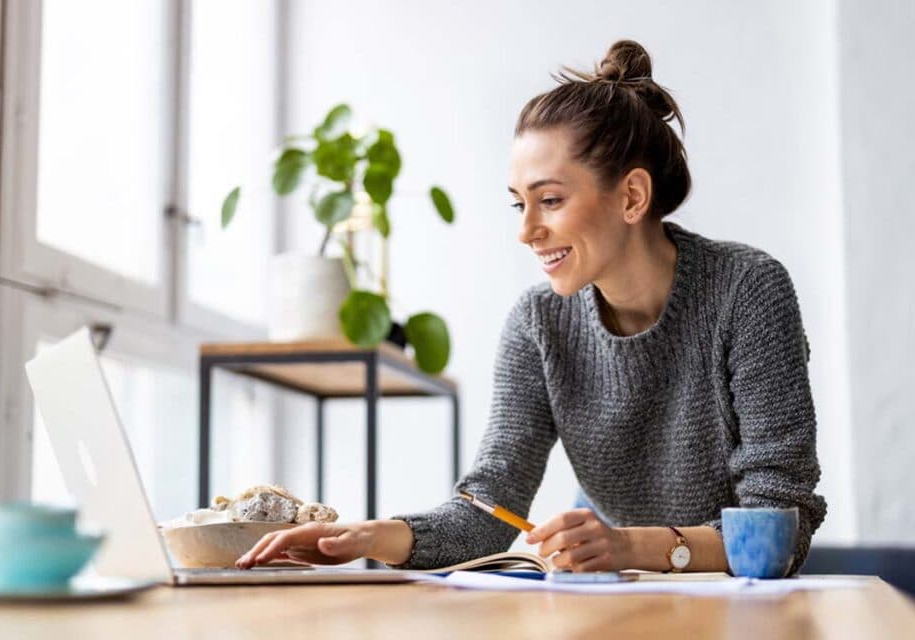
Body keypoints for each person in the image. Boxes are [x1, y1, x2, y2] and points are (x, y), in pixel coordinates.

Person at [237, 40, 826, 575]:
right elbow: (489, 509)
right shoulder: (539, 323)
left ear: (632, 196)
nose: (527, 231)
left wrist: (627, 545)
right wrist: (368, 536)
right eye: (518, 204)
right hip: (621, 597)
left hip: (741, 606)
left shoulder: (747, 291)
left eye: (549, 200)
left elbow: (779, 529)